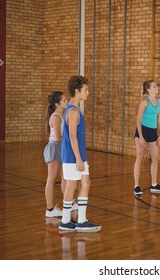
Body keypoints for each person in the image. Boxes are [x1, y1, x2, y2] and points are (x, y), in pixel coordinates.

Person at [59, 75, 101, 233]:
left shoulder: (75, 109)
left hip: (78, 154)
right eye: (85, 90)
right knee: (72, 185)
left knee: (85, 183)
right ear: (77, 91)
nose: (88, 93)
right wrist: (78, 158)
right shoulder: (73, 112)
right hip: (72, 155)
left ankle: (81, 220)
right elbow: (72, 137)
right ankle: (65, 220)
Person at [133, 80, 160, 196]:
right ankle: (136, 186)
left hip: (152, 131)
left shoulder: (159, 101)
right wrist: (141, 136)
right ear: (148, 89)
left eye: (156, 86)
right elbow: (138, 119)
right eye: (154, 86)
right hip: (142, 130)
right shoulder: (144, 102)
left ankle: (154, 184)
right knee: (140, 157)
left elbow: (159, 118)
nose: (157, 88)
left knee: (155, 158)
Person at [44, 91, 68, 218]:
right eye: (64, 100)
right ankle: (50, 209)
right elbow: (58, 138)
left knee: (65, 177)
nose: (66, 102)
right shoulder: (56, 117)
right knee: (51, 179)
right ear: (57, 104)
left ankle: (68, 203)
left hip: (60, 147)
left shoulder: (61, 115)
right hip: (55, 147)